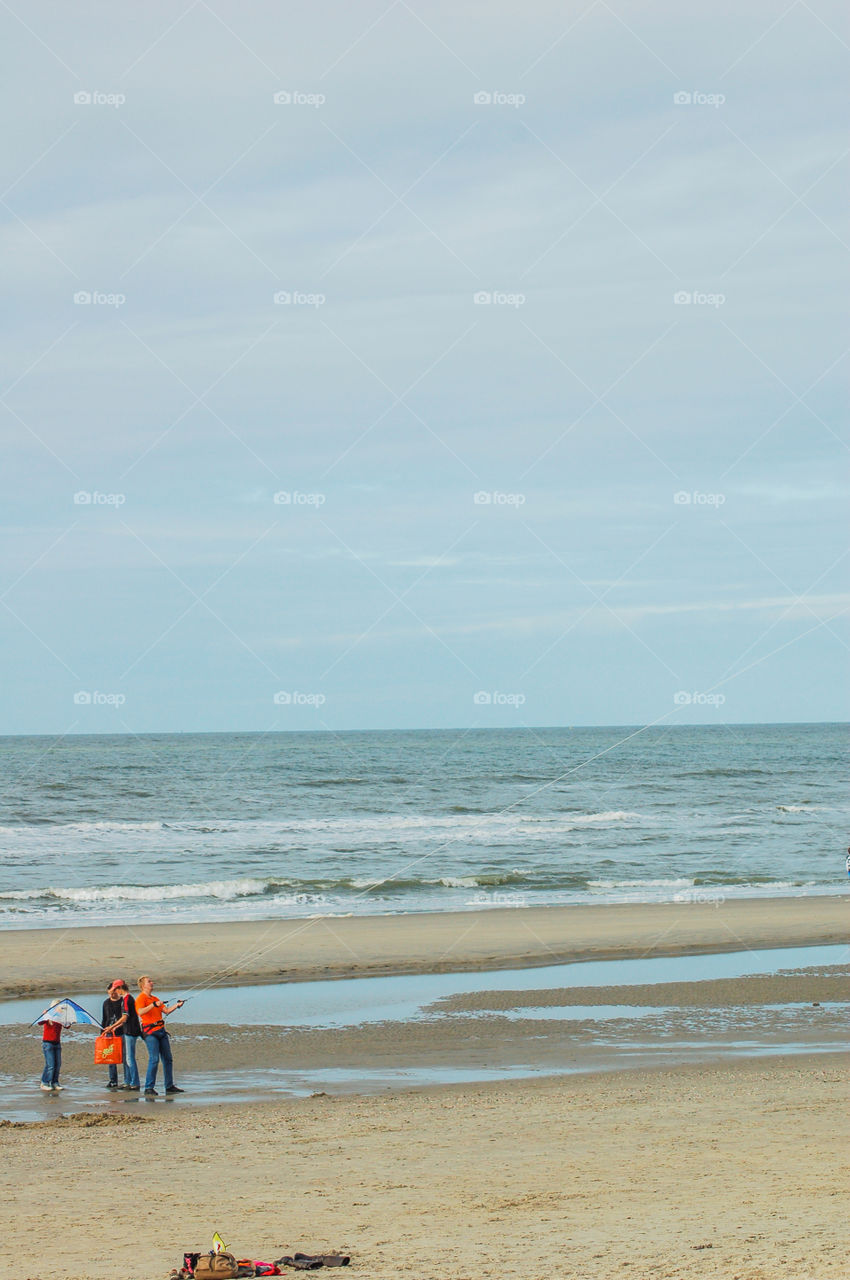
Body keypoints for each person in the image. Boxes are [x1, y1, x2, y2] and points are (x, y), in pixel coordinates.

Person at [135, 975, 185, 1096]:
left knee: (168, 1059)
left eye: (151, 981)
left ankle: (169, 1086)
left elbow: (166, 1011)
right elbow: (140, 1011)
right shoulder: (141, 998)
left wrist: (177, 1005)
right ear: (143, 985)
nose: (152, 983)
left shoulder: (155, 998)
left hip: (161, 1031)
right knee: (154, 1059)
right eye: (149, 981)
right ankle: (148, 1087)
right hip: (150, 1033)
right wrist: (154, 1005)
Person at [101, 979, 128, 1089]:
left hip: (121, 1033)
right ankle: (113, 1081)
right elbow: (104, 1018)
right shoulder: (106, 1003)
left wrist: (116, 1027)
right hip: (109, 1034)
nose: (112, 993)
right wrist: (102, 1032)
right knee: (111, 1058)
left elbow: (125, 1018)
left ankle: (127, 1080)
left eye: (114, 991)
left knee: (126, 1057)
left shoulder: (123, 1002)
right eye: (110, 992)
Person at [115, 980, 141, 1090]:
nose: (116, 992)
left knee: (130, 1058)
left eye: (116, 989)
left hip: (130, 1031)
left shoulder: (127, 999)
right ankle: (129, 1081)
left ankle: (134, 1082)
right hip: (130, 1030)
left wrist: (112, 1026)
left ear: (120, 989)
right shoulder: (127, 999)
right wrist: (116, 1026)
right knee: (128, 1057)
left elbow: (125, 1017)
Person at [40, 1016, 63, 1092]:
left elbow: (67, 1026)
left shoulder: (61, 1018)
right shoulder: (49, 1016)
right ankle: (44, 1082)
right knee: (50, 1065)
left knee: (58, 1064)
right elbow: (40, 1022)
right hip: (47, 1043)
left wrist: (69, 1021)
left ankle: (55, 1082)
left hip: (57, 1043)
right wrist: (45, 1015)